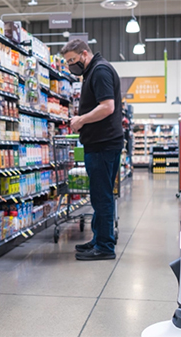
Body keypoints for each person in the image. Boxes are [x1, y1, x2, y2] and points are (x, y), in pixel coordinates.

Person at [61, 39, 123, 261]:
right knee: (99, 195)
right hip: (101, 143)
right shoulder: (92, 71)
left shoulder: (100, 70)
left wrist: (80, 120)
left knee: (101, 195)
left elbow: (108, 107)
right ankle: (99, 239)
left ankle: (105, 246)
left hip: (103, 144)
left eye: (72, 60)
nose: (70, 65)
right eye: (67, 62)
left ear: (84, 54)